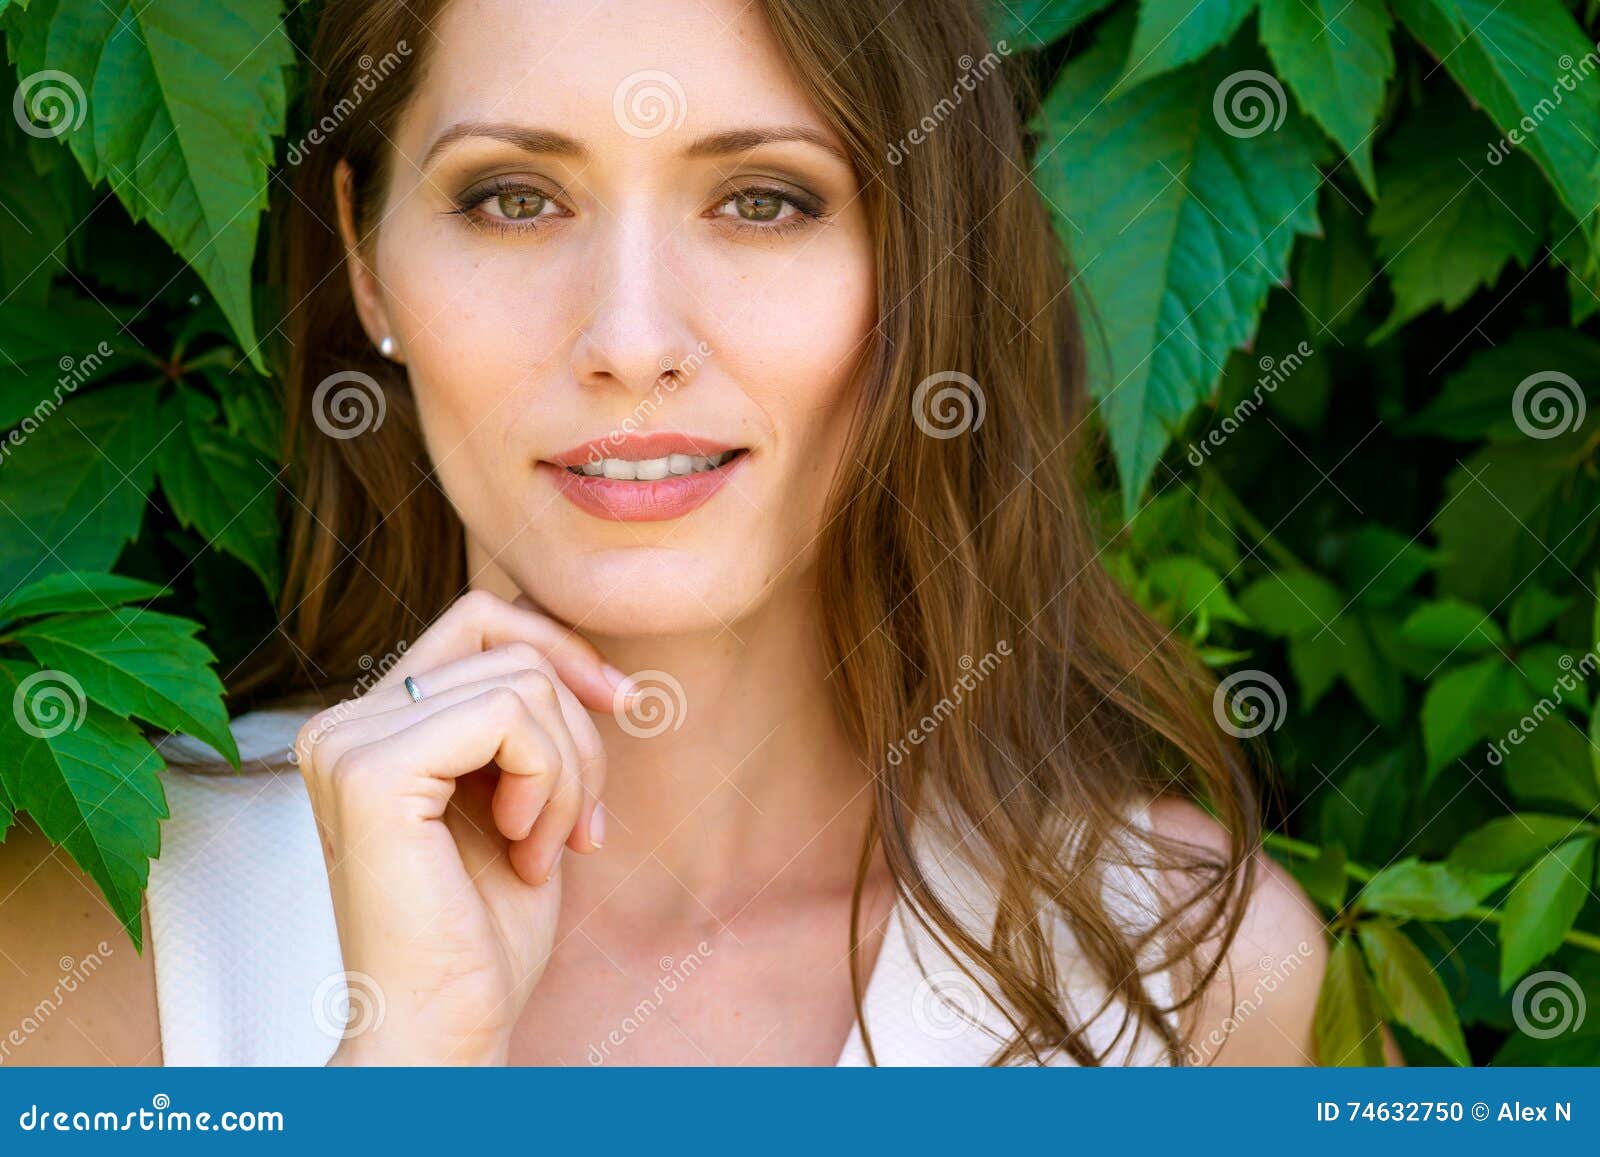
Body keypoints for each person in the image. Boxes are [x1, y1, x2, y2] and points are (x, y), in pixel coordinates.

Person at [0, 0, 1338, 1066]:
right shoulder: (122, 918)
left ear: (918, 259)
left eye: (762, 198)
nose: (632, 341)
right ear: (366, 260)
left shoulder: (1183, 967)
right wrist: (402, 1059)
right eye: (514, 196)